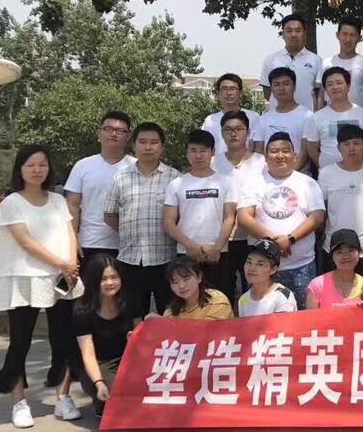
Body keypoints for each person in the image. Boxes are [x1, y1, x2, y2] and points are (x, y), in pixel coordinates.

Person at [0, 144, 84, 428]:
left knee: (63, 339)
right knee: (21, 341)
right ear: (20, 169)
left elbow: (70, 232)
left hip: (59, 278)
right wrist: (62, 263)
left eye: (42, 164)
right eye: (30, 165)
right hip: (23, 278)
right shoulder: (12, 202)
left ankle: (62, 397)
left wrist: (71, 265)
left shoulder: (57, 200)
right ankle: (19, 402)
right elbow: (26, 242)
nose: (37, 170)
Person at [237, 132, 325, 308]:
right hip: (262, 269)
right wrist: (273, 242)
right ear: (265, 157)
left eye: (285, 151)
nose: (280, 155)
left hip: (301, 266)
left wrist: (290, 239)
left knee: (303, 319)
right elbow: (243, 217)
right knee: (262, 318)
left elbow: (317, 216)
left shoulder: (308, 183)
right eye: (274, 151)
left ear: (294, 155)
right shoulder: (253, 183)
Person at [104, 122, 180, 319]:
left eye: (154, 142)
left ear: (162, 146)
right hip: (130, 259)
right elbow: (109, 214)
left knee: (170, 314)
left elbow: (181, 217)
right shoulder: (121, 178)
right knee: (134, 317)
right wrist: (129, 233)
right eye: (143, 142)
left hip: (166, 259)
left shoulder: (175, 178)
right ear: (134, 145)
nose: (148, 147)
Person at [162, 130, 237, 299]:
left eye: (203, 150)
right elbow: (168, 222)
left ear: (212, 152)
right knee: (187, 302)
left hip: (218, 253)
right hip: (186, 253)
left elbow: (229, 217)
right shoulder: (176, 184)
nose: (198, 155)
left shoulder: (226, 182)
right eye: (193, 150)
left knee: (219, 301)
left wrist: (217, 247)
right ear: (187, 153)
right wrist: (190, 246)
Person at [64, 111, 135, 268]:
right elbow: (72, 206)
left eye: (120, 130)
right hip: (89, 243)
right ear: (99, 134)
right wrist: (72, 241)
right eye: (108, 129)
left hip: (128, 246)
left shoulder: (136, 167)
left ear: (128, 137)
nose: (113, 134)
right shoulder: (82, 166)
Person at [211, 110, 267, 304]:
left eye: (238, 129)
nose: (233, 134)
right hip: (222, 239)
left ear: (248, 132)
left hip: (252, 239)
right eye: (228, 129)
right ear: (221, 133)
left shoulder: (262, 162)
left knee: (254, 294)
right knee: (222, 294)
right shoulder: (213, 163)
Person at [317, 124, 363, 276]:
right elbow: (322, 210)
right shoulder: (326, 173)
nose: (351, 148)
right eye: (346, 144)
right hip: (333, 248)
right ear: (339, 148)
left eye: (356, 143)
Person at [72, 254, 131, 419]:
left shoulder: (129, 301)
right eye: (103, 279)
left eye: (114, 277)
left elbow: (140, 336)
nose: (110, 283)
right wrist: (99, 383)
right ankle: (101, 402)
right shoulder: (82, 309)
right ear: (93, 281)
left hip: (126, 360)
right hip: (98, 363)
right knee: (113, 392)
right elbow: (88, 354)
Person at [305, 66, 363, 169]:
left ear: (348, 86)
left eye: (339, 83)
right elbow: (312, 148)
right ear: (325, 89)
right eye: (330, 84)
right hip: (328, 175)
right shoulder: (316, 117)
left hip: (358, 173)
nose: (335, 87)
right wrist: (326, 167)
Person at [260, 13, 321, 111]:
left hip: (307, 116)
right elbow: (267, 92)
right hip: (277, 117)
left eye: (298, 31)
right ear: (283, 34)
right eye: (289, 31)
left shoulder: (316, 61)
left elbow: (320, 93)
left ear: (305, 34)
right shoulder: (271, 60)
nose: (293, 35)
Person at [254, 67, 313, 166]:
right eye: (276, 84)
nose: (281, 88)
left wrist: (289, 172)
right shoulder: (263, 119)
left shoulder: (308, 116)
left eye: (286, 84)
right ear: (271, 88)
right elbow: (259, 151)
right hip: (268, 173)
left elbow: (305, 152)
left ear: (294, 87)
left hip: (298, 173)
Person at [200, 74, 261, 155]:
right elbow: (203, 148)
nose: (229, 93)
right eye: (224, 89)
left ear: (240, 93)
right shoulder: (210, 120)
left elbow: (259, 148)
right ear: (218, 93)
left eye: (233, 89)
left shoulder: (253, 117)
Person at [316, 17, 363, 108]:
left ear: (359, 38)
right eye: (344, 34)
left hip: (359, 115)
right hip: (331, 115)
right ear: (338, 35)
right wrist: (318, 114)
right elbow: (321, 95)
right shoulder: (326, 63)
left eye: (352, 35)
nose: (348, 39)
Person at [307, 229, 363, 309]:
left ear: (359, 253)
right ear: (332, 257)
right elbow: (311, 316)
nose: (346, 256)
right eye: (339, 252)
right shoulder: (317, 285)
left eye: (351, 251)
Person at [237, 239, 298, 316]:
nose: (251, 268)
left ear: (273, 269)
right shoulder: (243, 299)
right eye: (249, 262)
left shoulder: (283, 296)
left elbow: (285, 323)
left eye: (260, 264)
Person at [161, 257, 234, 320]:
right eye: (175, 282)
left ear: (199, 277)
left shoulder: (217, 300)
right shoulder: (170, 312)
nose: (181, 286)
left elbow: (209, 330)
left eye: (186, 279)